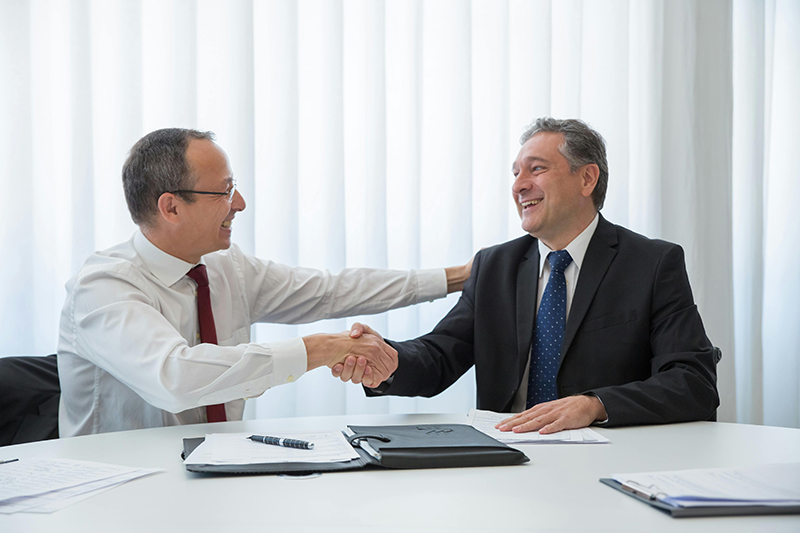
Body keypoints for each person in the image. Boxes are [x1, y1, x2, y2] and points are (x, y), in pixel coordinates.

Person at [57, 128, 472, 437]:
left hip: (218, 475)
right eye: (224, 192)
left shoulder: (226, 268)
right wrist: (320, 349)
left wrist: (461, 277)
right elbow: (176, 377)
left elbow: (330, 291)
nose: (239, 203)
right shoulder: (103, 286)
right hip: (120, 490)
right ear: (172, 207)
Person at [335, 117, 719, 433]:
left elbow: (693, 382)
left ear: (587, 179)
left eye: (536, 169)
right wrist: (387, 359)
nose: (519, 186)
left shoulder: (652, 263)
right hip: (508, 453)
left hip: (607, 455)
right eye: (516, 173)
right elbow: (439, 356)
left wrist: (594, 405)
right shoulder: (494, 266)